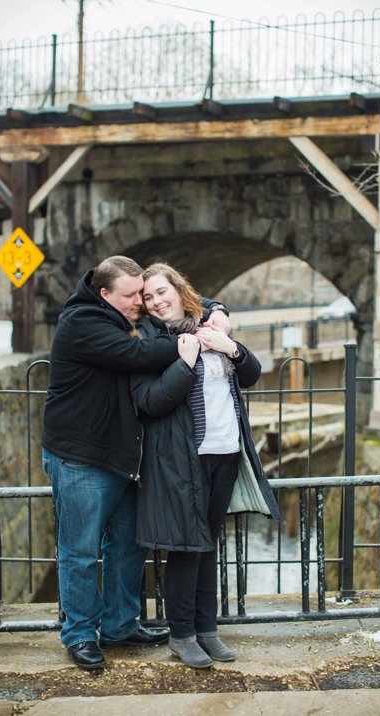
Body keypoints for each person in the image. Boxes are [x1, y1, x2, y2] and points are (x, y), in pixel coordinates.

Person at [42, 255, 230, 671]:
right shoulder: (82, 323)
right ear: (105, 293)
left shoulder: (121, 308)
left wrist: (215, 312)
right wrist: (194, 340)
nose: (140, 305)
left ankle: (120, 625)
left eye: (141, 296)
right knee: (81, 551)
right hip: (81, 455)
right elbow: (140, 355)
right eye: (131, 297)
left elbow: (186, 299)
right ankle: (79, 634)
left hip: (124, 456)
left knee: (128, 545)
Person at [130, 262, 281, 668]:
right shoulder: (148, 340)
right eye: (148, 297)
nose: (157, 300)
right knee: (186, 546)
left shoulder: (211, 325)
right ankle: (182, 634)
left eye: (162, 291)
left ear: (179, 290)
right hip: (183, 458)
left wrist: (228, 347)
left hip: (226, 451)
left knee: (209, 544)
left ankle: (207, 629)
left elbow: (250, 374)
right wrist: (185, 363)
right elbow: (150, 401)